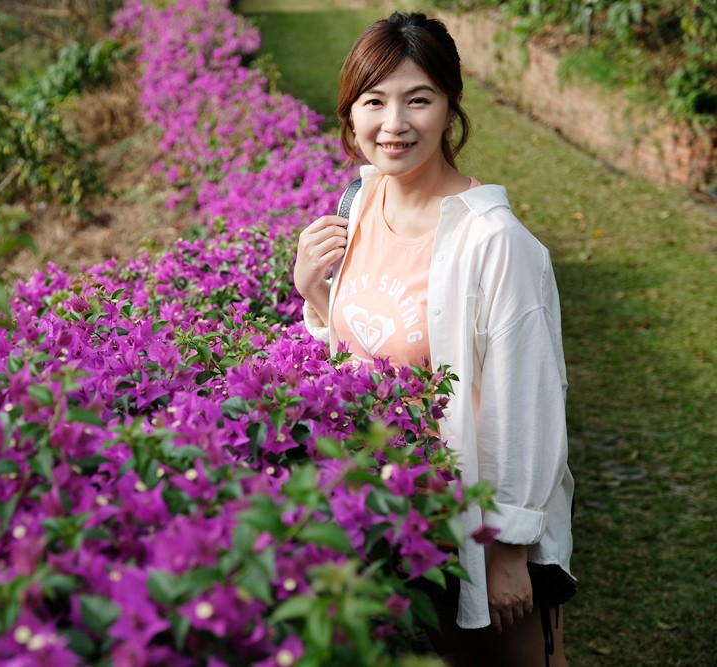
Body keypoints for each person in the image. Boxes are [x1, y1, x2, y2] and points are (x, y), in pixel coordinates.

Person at [293, 12, 576, 667]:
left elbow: (527, 404)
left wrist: (504, 549)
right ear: (350, 112)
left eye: (418, 100)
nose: (393, 124)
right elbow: (353, 350)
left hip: (469, 524)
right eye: (374, 101)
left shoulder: (496, 243)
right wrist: (313, 292)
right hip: (386, 516)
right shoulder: (356, 206)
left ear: (450, 108)